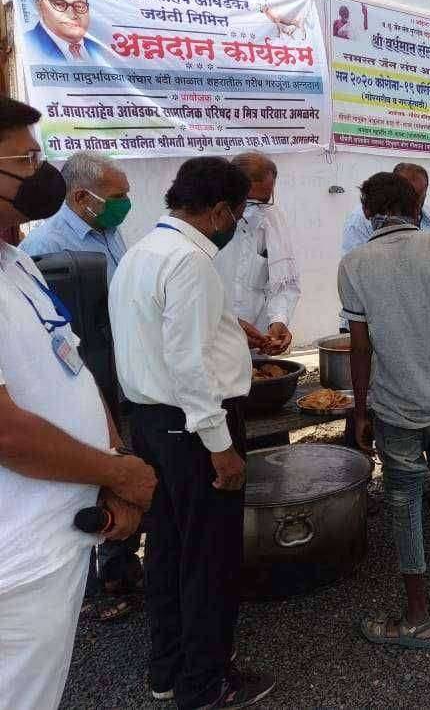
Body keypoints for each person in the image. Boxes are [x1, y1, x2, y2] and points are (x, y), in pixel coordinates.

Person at [0, 96, 156, 710]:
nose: (43, 174)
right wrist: (119, 472)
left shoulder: (16, 261)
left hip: (61, 537)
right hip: (16, 566)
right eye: (25, 159)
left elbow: (71, 363)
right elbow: (7, 432)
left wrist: (112, 464)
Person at [110, 157, 275, 709]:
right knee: (209, 558)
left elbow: (166, 338)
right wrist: (221, 447)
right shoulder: (190, 261)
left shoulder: (140, 252)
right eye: (239, 213)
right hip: (194, 427)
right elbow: (188, 367)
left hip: (152, 425)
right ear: (222, 211)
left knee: (168, 551)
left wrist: (232, 329)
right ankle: (205, 685)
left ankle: (168, 670)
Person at [340, 173, 430, 650]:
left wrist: (360, 411)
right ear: (414, 207)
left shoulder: (354, 264)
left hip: (395, 405)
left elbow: (359, 349)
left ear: (368, 213)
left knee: (405, 502)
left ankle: (417, 617)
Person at [19, 152, 138, 622]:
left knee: (120, 457)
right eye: (117, 196)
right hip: (78, 374)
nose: (124, 204)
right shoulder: (44, 248)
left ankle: (120, 565)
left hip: (119, 367)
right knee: (88, 472)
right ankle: (91, 581)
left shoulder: (109, 232)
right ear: (80, 197)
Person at [213, 153, 299, 356]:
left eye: (264, 200)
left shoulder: (272, 217)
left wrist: (278, 320)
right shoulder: (210, 226)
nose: (253, 209)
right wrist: (230, 325)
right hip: (214, 342)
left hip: (257, 343)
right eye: (248, 201)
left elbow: (284, 283)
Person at [20, 152, 130, 285]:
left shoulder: (110, 227)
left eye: (126, 194)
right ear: (81, 197)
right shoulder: (45, 244)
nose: (126, 202)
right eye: (118, 196)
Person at [341, 162, 430, 254]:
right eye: (407, 197)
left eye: (419, 197)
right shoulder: (359, 219)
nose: (413, 204)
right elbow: (353, 265)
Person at [26, 0, 111, 64]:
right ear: (40, 6)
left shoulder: (100, 49)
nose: (72, 14)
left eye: (79, 6)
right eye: (59, 4)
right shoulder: (26, 44)